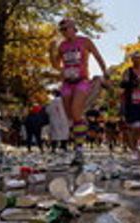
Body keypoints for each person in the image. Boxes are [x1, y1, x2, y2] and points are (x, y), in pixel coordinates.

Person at [49, 18, 108, 161]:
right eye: (61, 30)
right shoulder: (62, 46)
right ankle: (80, 130)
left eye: (65, 28)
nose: (63, 32)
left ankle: (79, 149)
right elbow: (57, 65)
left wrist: (105, 72)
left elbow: (98, 57)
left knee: (76, 112)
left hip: (81, 81)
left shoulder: (85, 41)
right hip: (67, 83)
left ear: (74, 28)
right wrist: (51, 52)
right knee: (71, 117)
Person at [120, 51, 140, 160]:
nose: (137, 60)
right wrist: (134, 82)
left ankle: (134, 144)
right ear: (132, 59)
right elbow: (122, 84)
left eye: (139, 58)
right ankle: (134, 149)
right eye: (135, 58)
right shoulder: (128, 71)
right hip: (131, 102)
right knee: (132, 126)